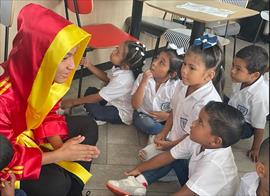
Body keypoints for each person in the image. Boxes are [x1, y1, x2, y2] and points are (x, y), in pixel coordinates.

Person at [0, 4, 100, 196]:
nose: (72, 66)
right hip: (11, 154)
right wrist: (58, 156)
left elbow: (48, 115)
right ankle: (66, 181)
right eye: (65, 58)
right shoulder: (3, 99)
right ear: (40, 58)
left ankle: (73, 188)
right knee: (56, 184)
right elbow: (5, 156)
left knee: (88, 126)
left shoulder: (45, 78)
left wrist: (61, 147)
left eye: (74, 56)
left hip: (31, 137)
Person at [106, 101, 244, 195]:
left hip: (200, 190)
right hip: (195, 183)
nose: (193, 123)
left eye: (200, 122)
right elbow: (169, 156)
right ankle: (138, 183)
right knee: (177, 157)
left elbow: (185, 194)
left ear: (215, 141)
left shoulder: (214, 165)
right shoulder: (196, 139)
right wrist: (139, 169)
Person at [139, 35, 223, 162]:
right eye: (184, 64)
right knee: (147, 156)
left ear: (209, 75)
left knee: (151, 167)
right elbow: (174, 111)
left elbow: (192, 137)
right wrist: (163, 134)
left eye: (192, 68)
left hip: (189, 150)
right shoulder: (182, 84)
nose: (183, 70)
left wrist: (171, 146)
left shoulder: (207, 103)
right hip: (173, 139)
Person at [61, 40, 146, 126]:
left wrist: (72, 102)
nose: (113, 52)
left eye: (117, 53)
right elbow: (107, 78)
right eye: (116, 48)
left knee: (93, 106)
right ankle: (88, 111)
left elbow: (98, 97)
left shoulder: (122, 79)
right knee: (90, 91)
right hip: (112, 100)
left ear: (126, 65)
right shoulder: (120, 68)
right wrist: (89, 65)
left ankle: (95, 117)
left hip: (120, 110)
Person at [229, 45, 269, 162]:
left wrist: (255, 149)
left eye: (238, 69)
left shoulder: (260, 97)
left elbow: (259, 126)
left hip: (247, 124)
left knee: (224, 128)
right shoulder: (240, 79)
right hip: (234, 109)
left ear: (255, 75)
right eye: (233, 66)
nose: (232, 71)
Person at [132, 45, 183, 136]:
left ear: (171, 74)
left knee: (179, 121)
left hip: (166, 118)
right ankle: (167, 133)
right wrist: (144, 82)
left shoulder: (176, 86)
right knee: (146, 123)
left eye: (161, 63)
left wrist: (167, 116)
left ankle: (162, 132)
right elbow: (135, 105)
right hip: (144, 115)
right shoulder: (142, 77)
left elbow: (180, 109)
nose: (154, 63)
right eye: (156, 58)